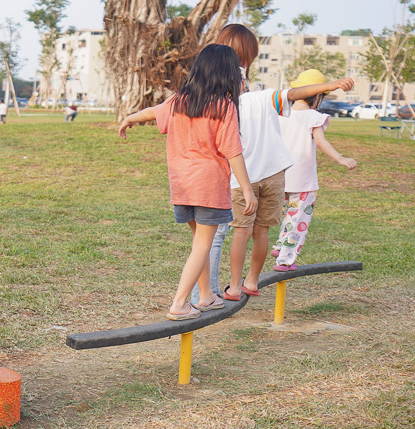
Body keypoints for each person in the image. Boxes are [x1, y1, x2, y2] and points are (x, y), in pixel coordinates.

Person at [209, 25, 355, 301]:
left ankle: (235, 286)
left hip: (245, 172)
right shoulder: (265, 96)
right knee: (262, 230)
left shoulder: (222, 96)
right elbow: (293, 94)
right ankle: (251, 280)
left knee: (241, 230)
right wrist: (332, 85)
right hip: (275, 172)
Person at [119, 44, 257, 320]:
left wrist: (128, 119)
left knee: (199, 242)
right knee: (203, 245)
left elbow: (152, 112)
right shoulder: (223, 105)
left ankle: (205, 296)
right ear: (227, 73)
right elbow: (232, 150)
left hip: (181, 185)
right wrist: (248, 190)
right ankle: (180, 303)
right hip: (208, 186)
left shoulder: (179, 100)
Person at [273, 69, 358, 272]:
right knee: (299, 217)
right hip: (302, 179)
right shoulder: (313, 117)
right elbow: (321, 141)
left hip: (279, 177)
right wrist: (341, 158)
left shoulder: (281, 115)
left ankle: (280, 245)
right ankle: (285, 259)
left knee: (287, 214)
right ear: (318, 95)